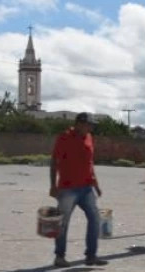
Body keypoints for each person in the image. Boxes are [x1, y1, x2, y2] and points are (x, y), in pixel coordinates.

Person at [49, 112, 108, 268]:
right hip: (68, 188)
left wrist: (96, 185)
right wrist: (53, 185)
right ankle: (59, 257)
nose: (91, 128)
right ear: (79, 124)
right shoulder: (64, 137)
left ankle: (91, 256)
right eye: (89, 125)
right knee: (62, 223)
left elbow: (89, 163)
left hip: (87, 187)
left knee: (95, 219)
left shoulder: (89, 138)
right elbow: (54, 162)